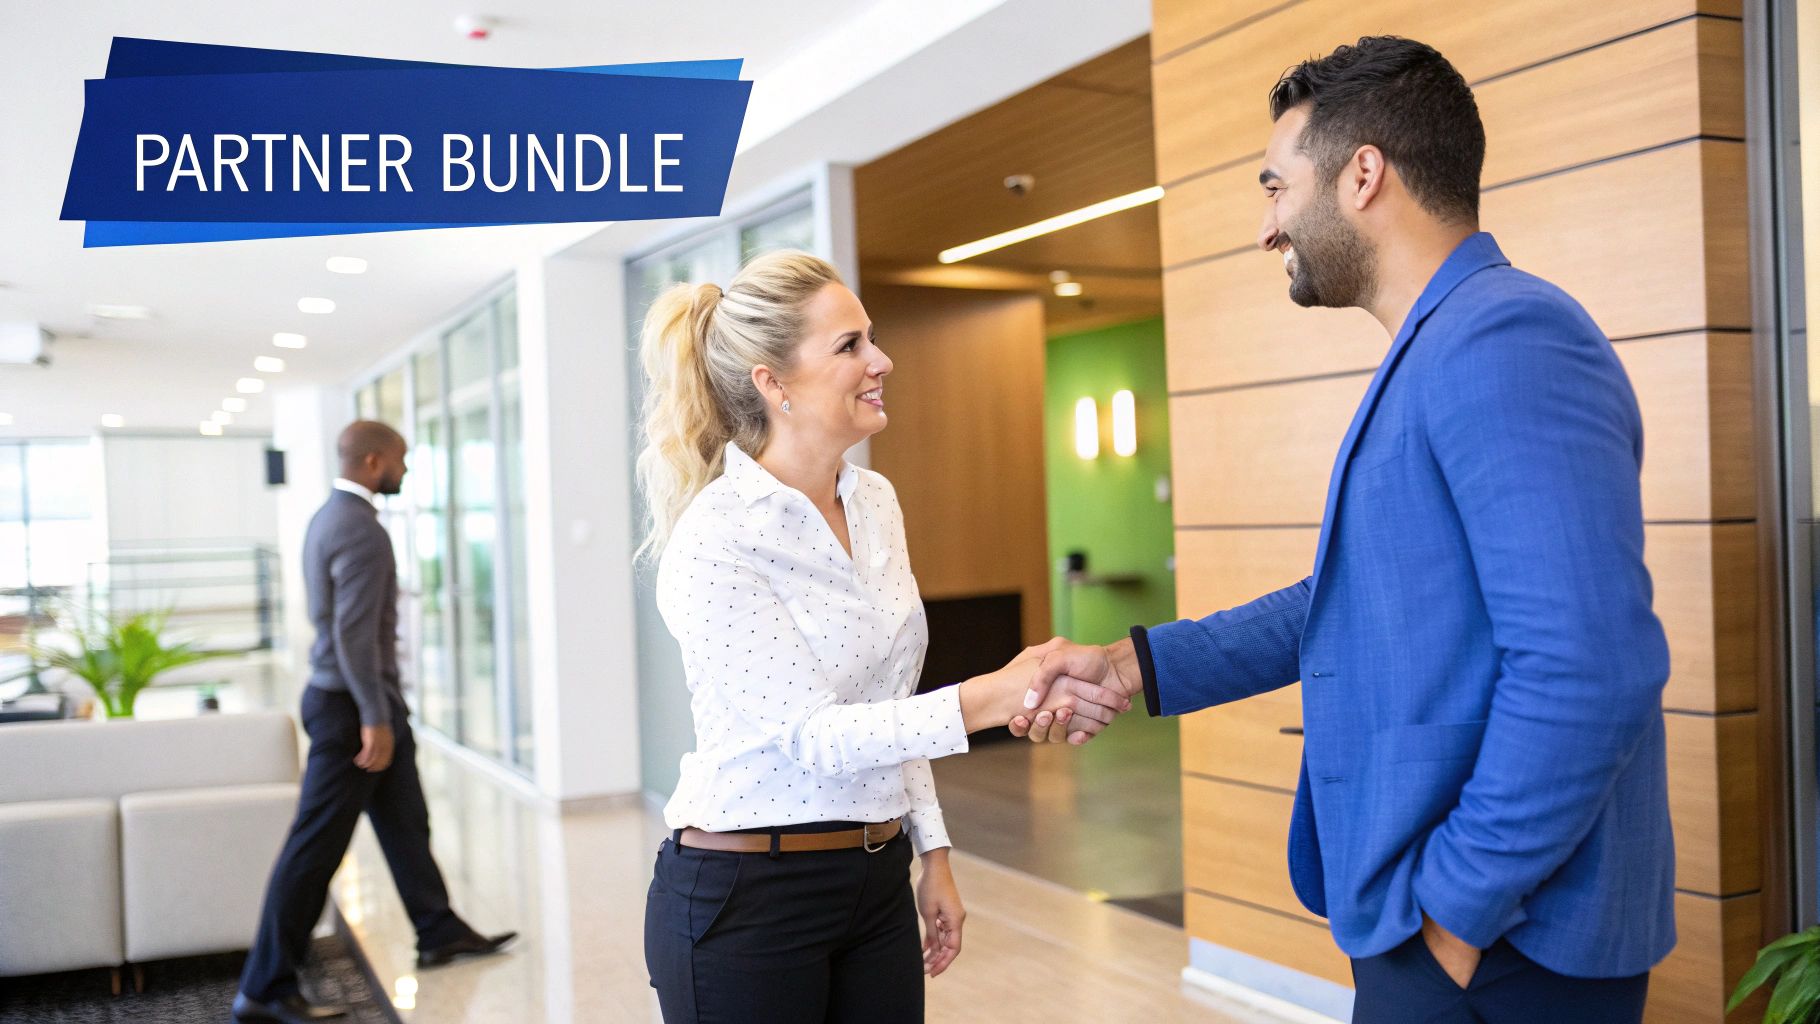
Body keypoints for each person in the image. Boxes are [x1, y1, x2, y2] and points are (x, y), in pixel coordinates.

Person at [1019, 36, 1674, 1024]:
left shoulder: (1506, 337)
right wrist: (1130, 665)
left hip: (1505, 939)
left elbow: (1591, 665)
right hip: (1453, 924)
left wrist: (1456, 913)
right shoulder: (1442, 345)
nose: (1265, 227)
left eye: (1275, 187)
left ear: (1362, 174)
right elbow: (1352, 598)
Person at [636, 250, 1126, 1023]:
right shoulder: (716, 538)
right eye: (850, 345)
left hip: (874, 880)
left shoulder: (875, 502)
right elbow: (815, 735)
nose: (881, 360)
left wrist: (933, 852)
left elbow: (888, 699)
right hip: (746, 898)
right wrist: (994, 696)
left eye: (872, 337)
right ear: (774, 383)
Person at [234, 421, 515, 1024]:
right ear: (372, 461)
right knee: (315, 847)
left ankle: (439, 930)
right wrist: (374, 718)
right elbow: (353, 635)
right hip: (352, 710)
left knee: (406, 822)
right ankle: (264, 989)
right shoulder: (362, 529)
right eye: (400, 459)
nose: (405, 470)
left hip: (360, 700)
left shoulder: (328, 517)